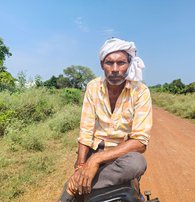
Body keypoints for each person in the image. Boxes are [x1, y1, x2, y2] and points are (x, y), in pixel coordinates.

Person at [59, 38, 152, 202]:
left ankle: (74, 186)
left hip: (122, 156)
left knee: (137, 163)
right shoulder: (93, 87)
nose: (115, 69)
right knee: (85, 169)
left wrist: (95, 161)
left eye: (121, 63)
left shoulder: (140, 91)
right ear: (102, 64)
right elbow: (86, 131)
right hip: (97, 148)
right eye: (109, 63)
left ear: (129, 64)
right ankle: (80, 181)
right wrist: (81, 166)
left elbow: (140, 142)